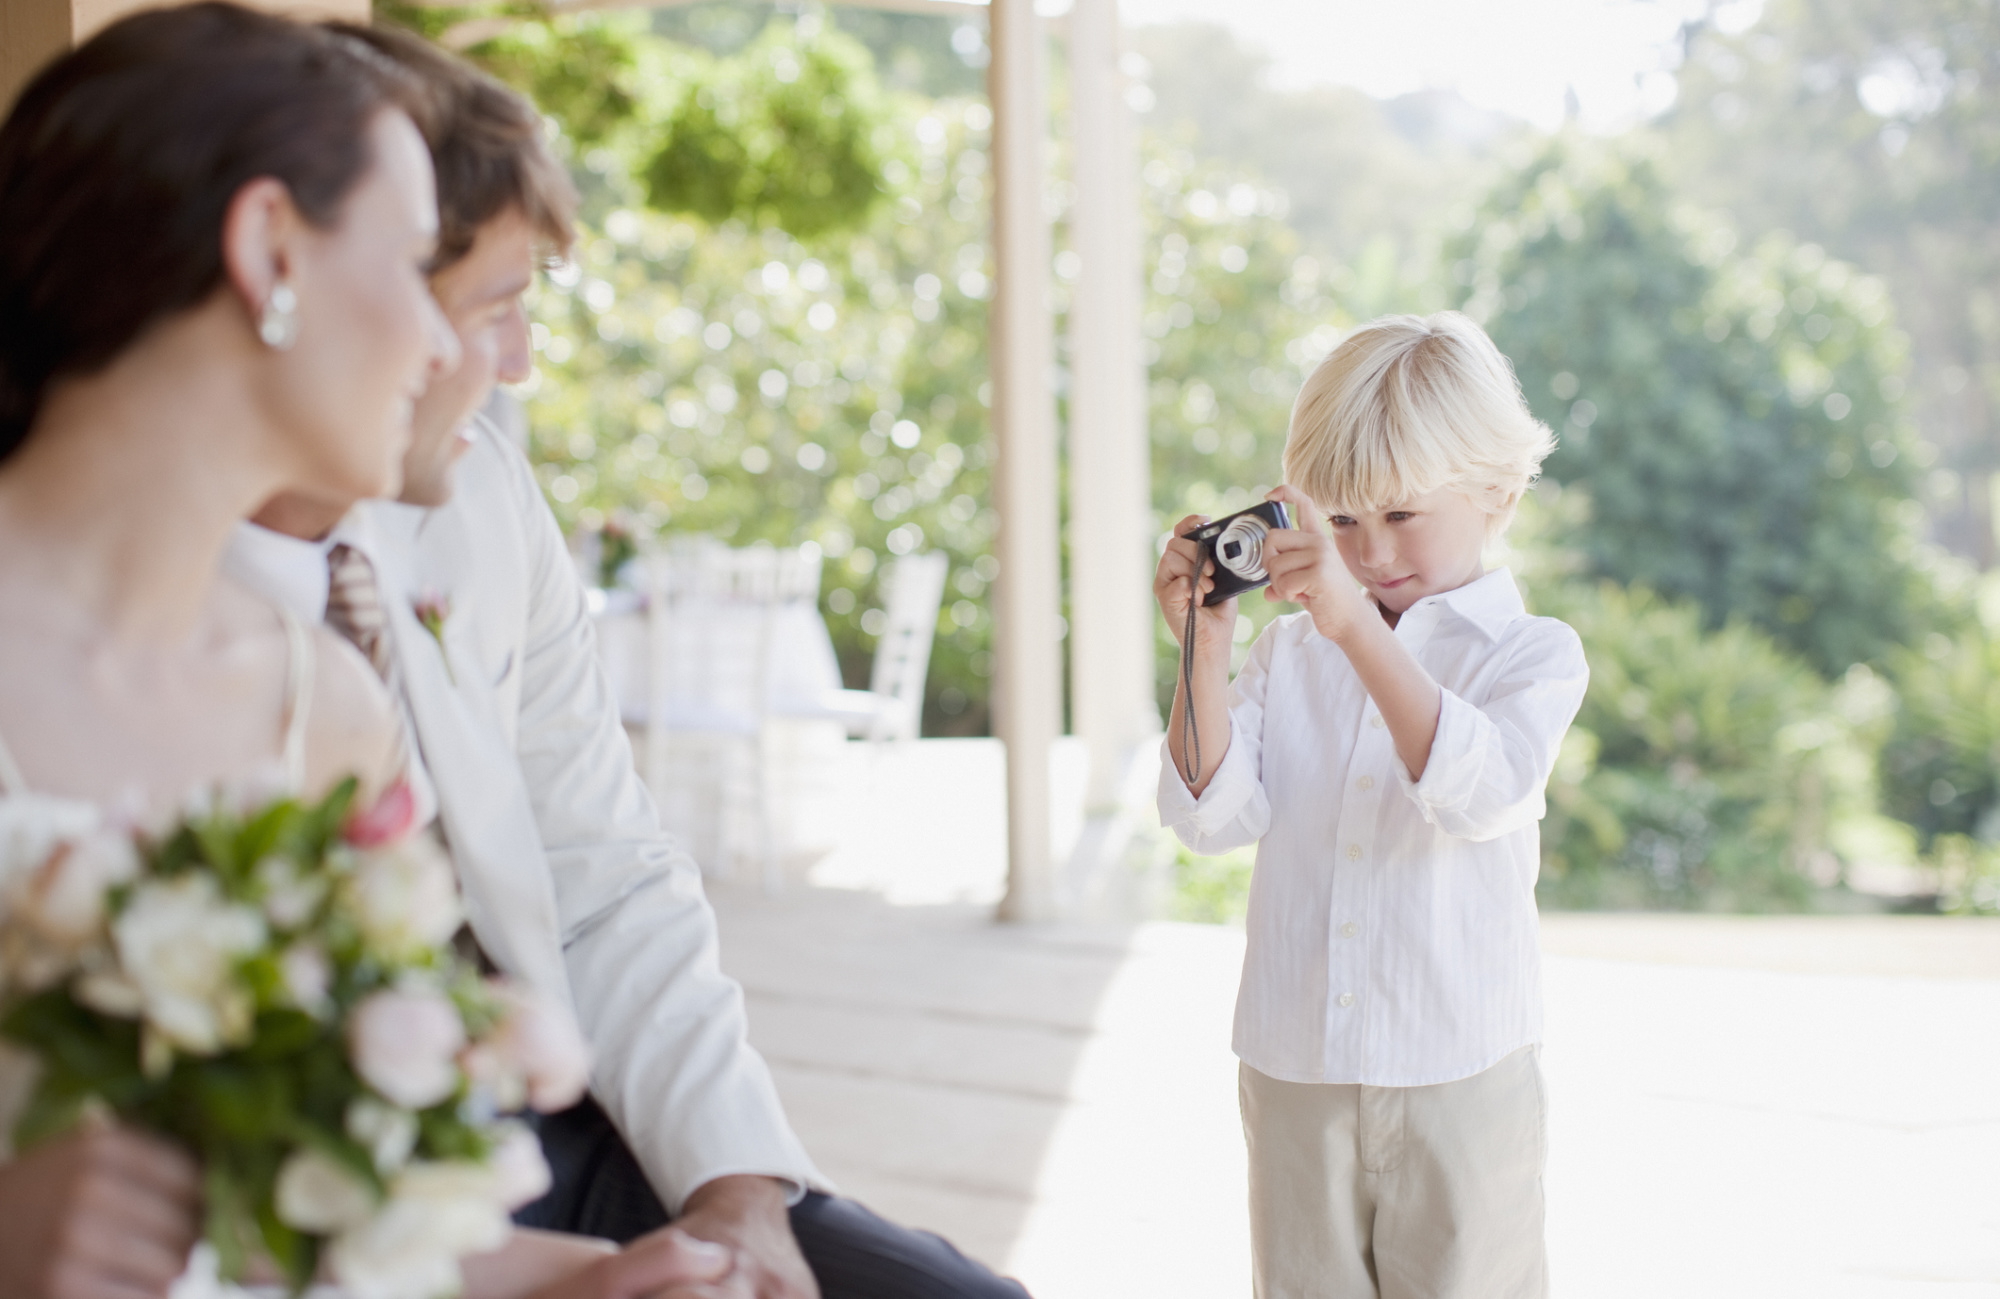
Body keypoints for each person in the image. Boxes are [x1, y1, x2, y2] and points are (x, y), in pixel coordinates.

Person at [224, 24, 1030, 1299]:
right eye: (496, 308)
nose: (510, 367)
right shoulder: (158, 594)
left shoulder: (479, 495)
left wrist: (735, 1190)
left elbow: (606, 870)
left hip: (558, 1118)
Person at [0, 9, 741, 1298]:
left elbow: (337, 1225)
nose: (451, 345)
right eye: (410, 264)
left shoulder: (323, 706)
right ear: (268, 250)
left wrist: (577, 1283)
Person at [1154, 312, 1590, 1299]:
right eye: (1339, 521)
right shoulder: (1287, 654)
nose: (1368, 551)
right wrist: (1204, 653)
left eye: (1399, 516)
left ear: (1496, 493)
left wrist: (1354, 631)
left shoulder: (1528, 655)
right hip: (1294, 1068)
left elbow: (1479, 794)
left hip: (1458, 1074)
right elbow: (1207, 819)